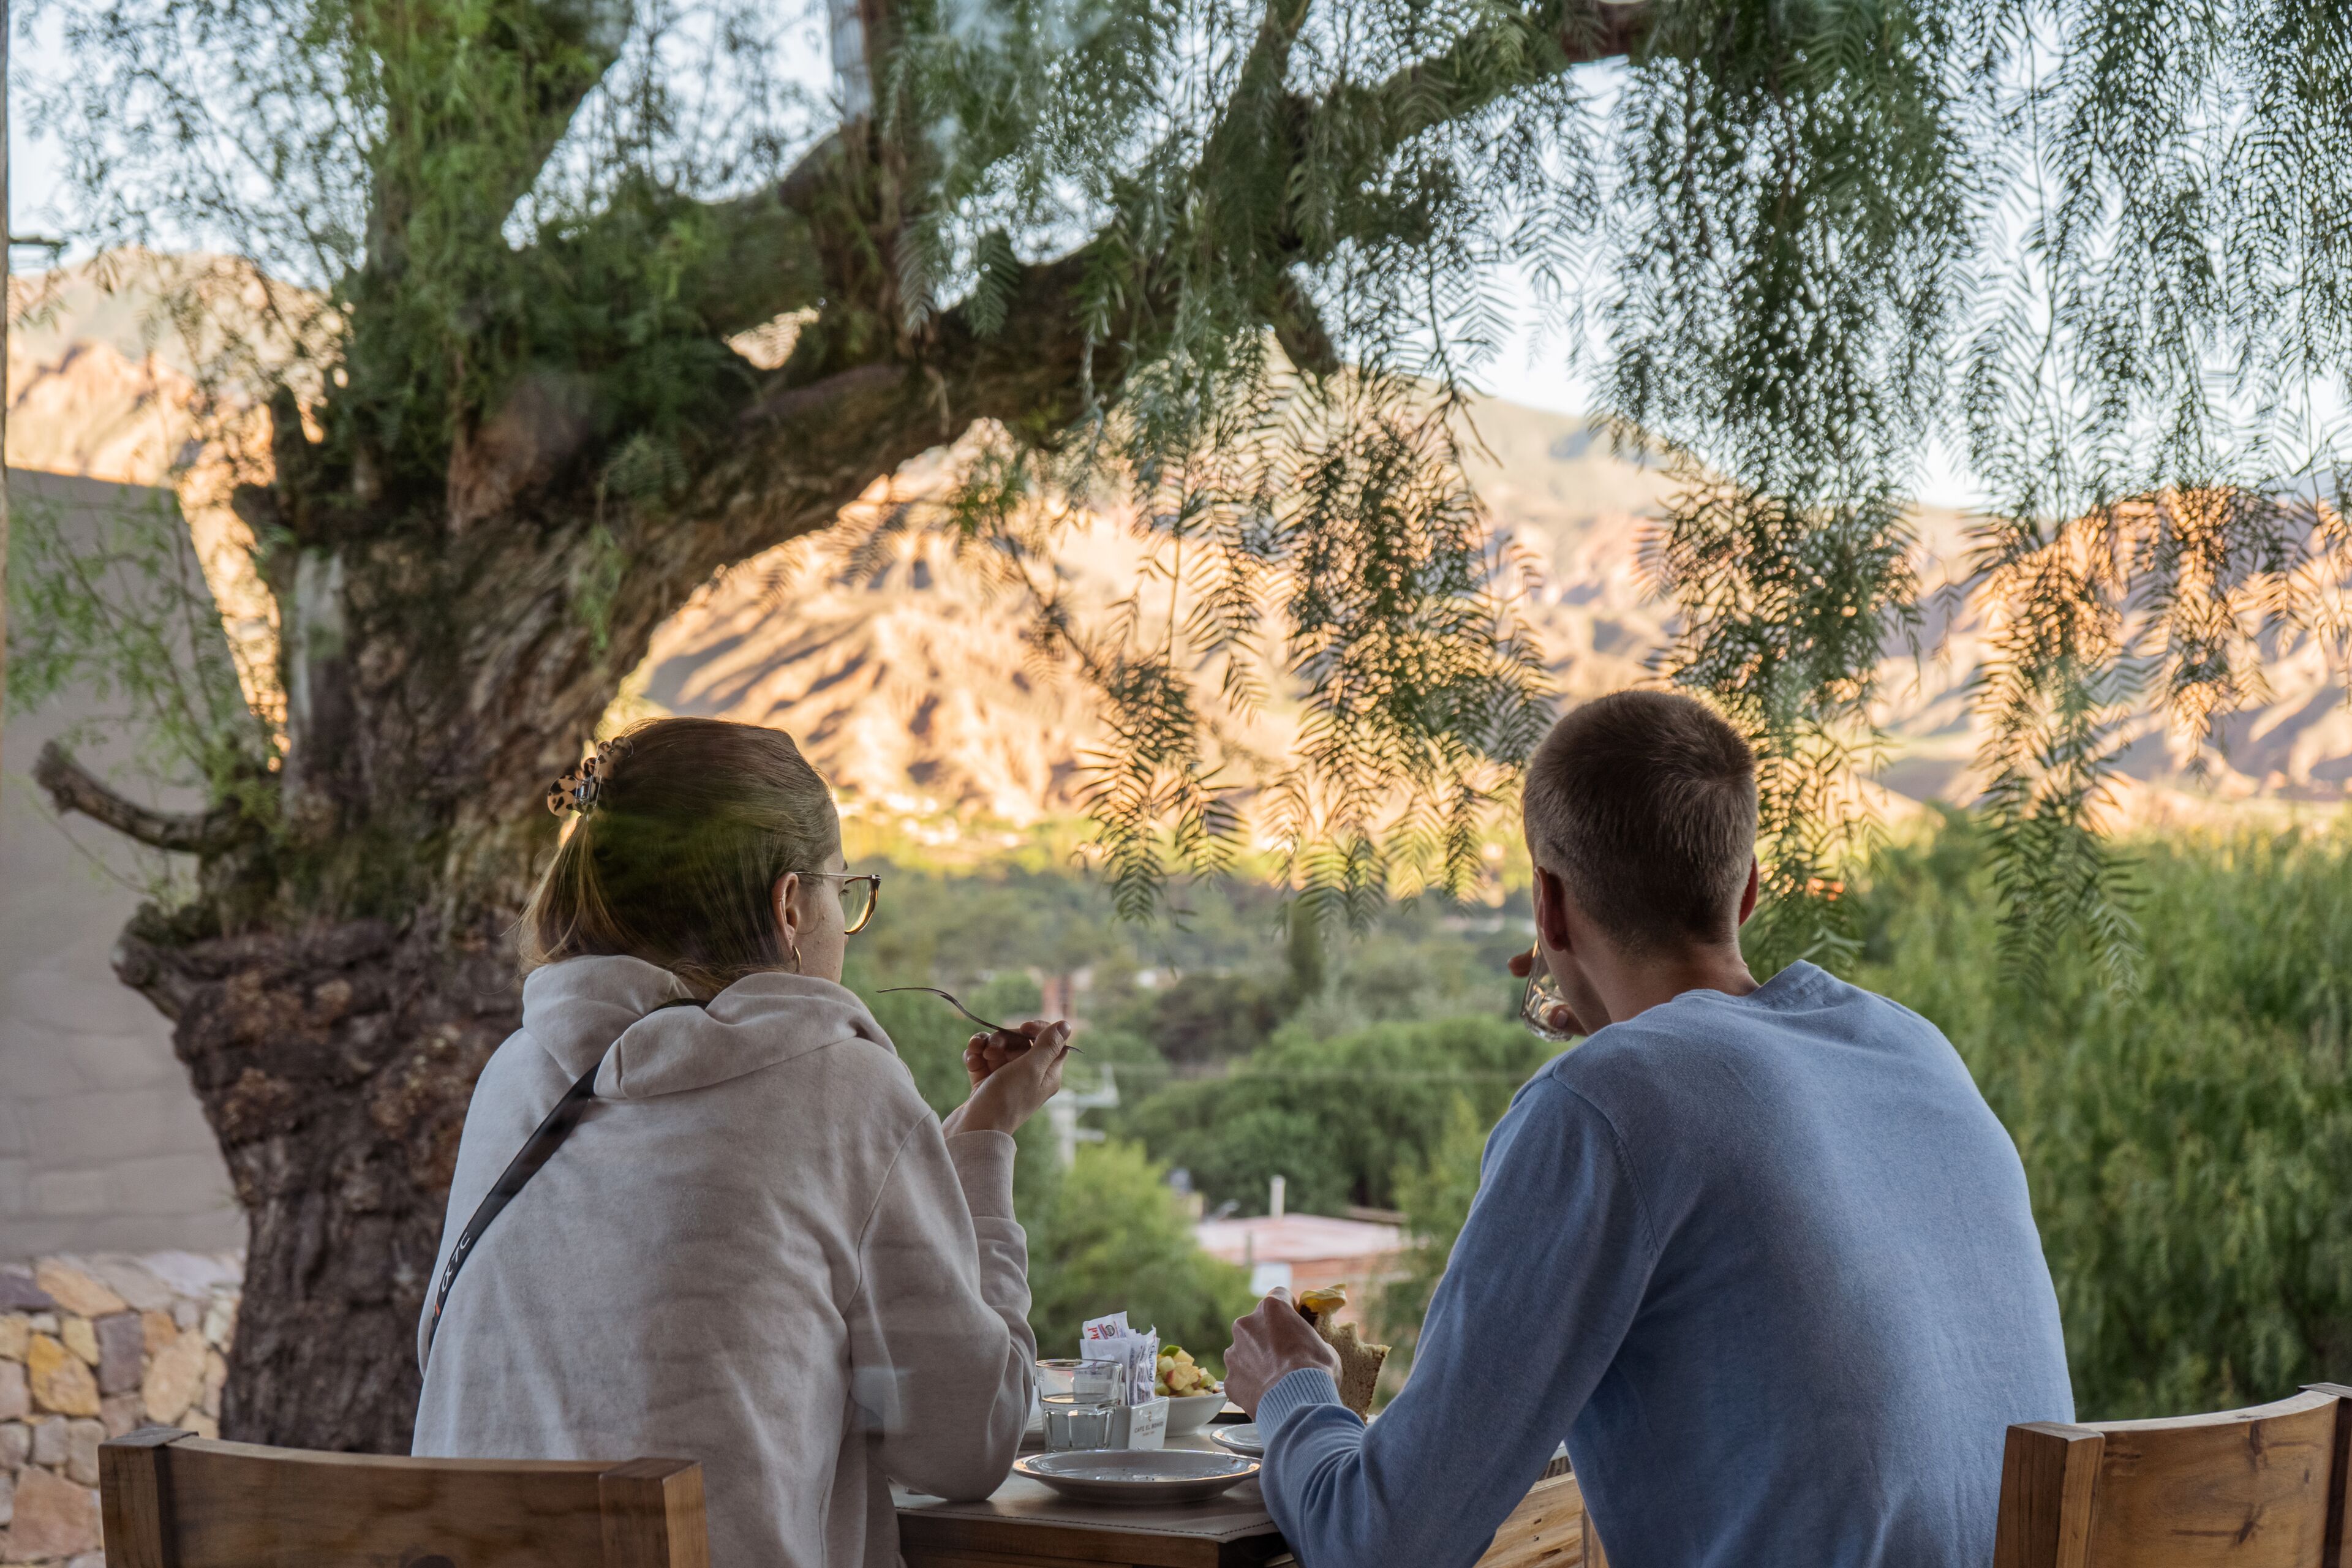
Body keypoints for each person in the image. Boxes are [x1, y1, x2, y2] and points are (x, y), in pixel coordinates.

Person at [1224, 690, 2074, 1568]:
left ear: (1549, 907)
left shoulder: (1604, 1106)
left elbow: (1381, 1543)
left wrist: (1294, 1389)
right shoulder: (1913, 1050)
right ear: (1746, 891)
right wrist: (1627, 1054)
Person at [412, 717, 1068, 1568]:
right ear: (790, 905)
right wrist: (982, 1146)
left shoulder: (514, 1077)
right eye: (842, 891)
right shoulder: (839, 1087)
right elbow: (964, 1444)